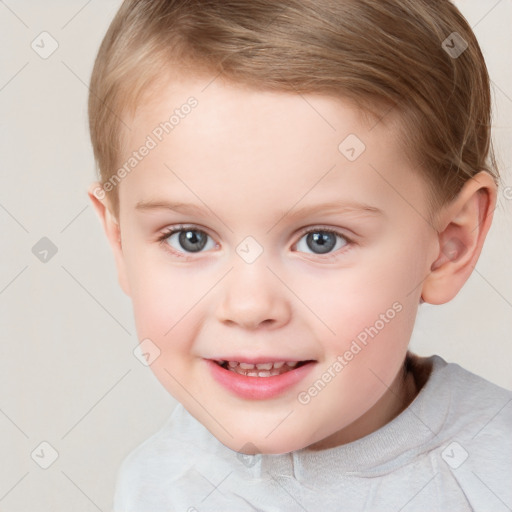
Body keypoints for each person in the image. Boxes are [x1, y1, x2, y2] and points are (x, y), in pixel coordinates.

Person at [86, 0, 512, 510]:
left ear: (448, 244)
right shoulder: (156, 485)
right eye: (190, 238)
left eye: (320, 240)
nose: (249, 306)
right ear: (120, 243)